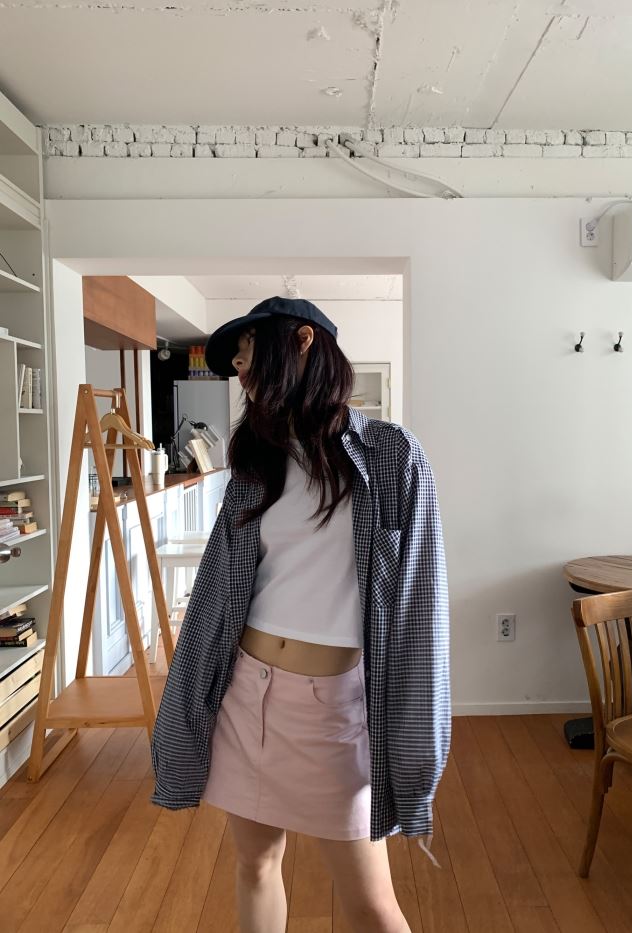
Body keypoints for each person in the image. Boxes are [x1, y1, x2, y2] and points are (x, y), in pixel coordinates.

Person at [150, 296, 451, 933]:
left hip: (332, 709)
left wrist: (418, 747)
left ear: (304, 341)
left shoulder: (392, 456)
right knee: (255, 865)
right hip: (245, 693)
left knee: (371, 906)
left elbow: (421, 610)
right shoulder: (257, 463)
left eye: (247, 349)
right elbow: (218, 589)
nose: (238, 366)